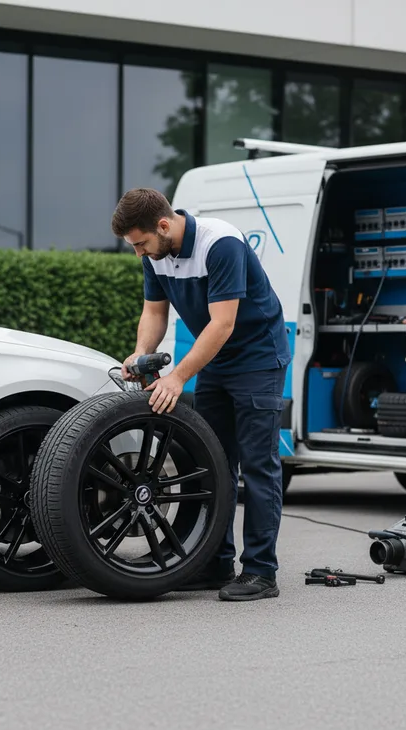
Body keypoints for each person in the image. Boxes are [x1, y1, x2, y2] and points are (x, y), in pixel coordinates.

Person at [111, 188, 292, 601]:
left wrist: (176, 377)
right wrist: (140, 353)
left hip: (258, 360)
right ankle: (215, 564)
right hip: (217, 362)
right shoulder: (155, 255)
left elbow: (222, 324)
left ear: (163, 225)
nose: (139, 253)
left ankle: (262, 572)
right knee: (215, 463)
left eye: (141, 244)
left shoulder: (220, 243)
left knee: (258, 466)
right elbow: (154, 312)